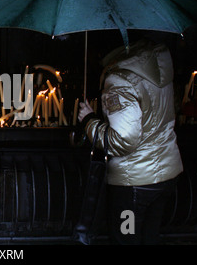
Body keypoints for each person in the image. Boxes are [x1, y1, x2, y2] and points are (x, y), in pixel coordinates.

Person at [78, 37, 183, 245]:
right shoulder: (159, 70)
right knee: (149, 237)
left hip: (133, 184)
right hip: (164, 176)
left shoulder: (120, 81)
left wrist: (89, 121)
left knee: (126, 238)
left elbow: (123, 141)